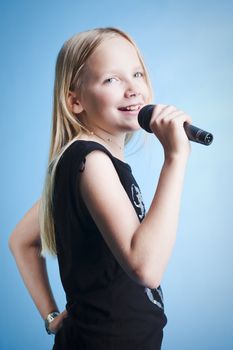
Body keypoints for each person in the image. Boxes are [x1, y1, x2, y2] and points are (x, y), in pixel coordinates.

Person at [9, 27, 191, 349]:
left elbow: (20, 240)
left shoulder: (85, 162)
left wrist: (52, 316)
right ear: (75, 100)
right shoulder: (90, 161)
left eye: (137, 73)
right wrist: (175, 159)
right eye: (111, 79)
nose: (133, 89)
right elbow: (146, 267)